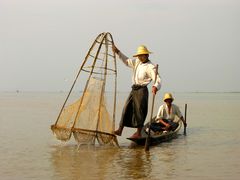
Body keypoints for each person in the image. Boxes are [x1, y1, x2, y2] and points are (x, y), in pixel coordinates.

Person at [112, 44, 161, 138]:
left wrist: (155, 86)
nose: (140, 57)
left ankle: (139, 133)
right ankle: (120, 129)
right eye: (139, 55)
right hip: (134, 89)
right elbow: (127, 61)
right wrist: (118, 52)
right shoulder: (137, 62)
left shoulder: (151, 66)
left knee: (139, 111)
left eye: (142, 55)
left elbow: (157, 78)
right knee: (126, 108)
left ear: (147, 55)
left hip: (142, 90)